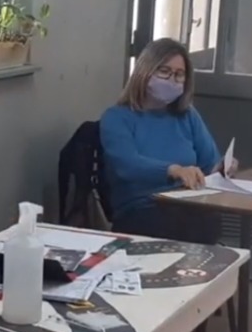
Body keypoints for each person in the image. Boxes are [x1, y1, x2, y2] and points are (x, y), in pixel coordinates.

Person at [98, 38, 232, 243]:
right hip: (141, 209)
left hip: (187, 204)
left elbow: (208, 162)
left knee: (209, 220)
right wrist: (173, 170)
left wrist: (222, 167)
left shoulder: (187, 115)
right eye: (164, 71)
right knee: (183, 225)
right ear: (145, 71)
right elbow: (126, 165)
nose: (172, 80)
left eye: (179, 75)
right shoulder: (117, 117)